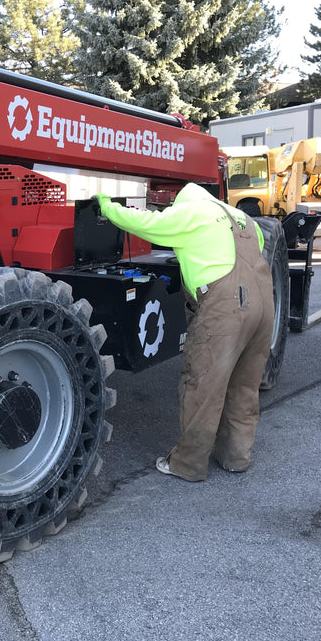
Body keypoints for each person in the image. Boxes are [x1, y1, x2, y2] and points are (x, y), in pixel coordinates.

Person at [95, 184, 274, 482]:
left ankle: (187, 464)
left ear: (183, 201)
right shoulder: (241, 217)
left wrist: (106, 206)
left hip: (227, 305)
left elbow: (146, 224)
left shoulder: (191, 212)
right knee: (244, 384)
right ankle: (235, 457)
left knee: (203, 383)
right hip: (264, 303)